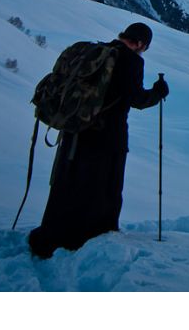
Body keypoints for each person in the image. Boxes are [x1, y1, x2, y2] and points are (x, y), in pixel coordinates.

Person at [28, 22, 170, 259]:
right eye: (144, 47)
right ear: (141, 43)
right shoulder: (131, 60)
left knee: (67, 183)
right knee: (104, 187)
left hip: (75, 130)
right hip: (107, 137)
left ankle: (51, 233)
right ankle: (93, 236)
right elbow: (136, 98)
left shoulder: (98, 53)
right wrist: (158, 92)